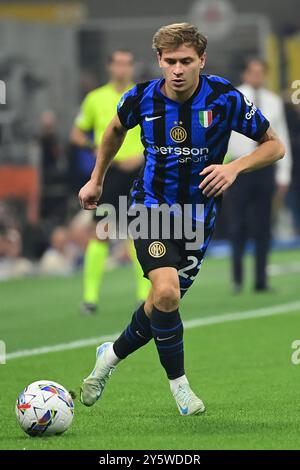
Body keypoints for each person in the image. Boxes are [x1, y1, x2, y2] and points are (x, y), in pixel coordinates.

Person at [78, 23, 285, 416]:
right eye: (170, 61)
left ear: (201, 61)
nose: (177, 69)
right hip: (150, 208)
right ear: (159, 60)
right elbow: (114, 130)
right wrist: (96, 179)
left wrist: (235, 167)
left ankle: (109, 357)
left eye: (186, 61)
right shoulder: (141, 97)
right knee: (167, 292)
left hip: (198, 220)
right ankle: (181, 387)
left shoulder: (225, 98)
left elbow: (274, 145)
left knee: (160, 304)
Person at [70, 49, 150, 314]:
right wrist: (97, 147)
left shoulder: (143, 94)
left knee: (140, 232)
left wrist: (142, 154)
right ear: (110, 66)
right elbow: (77, 134)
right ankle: (90, 298)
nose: (123, 68)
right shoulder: (95, 98)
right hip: (111, 172)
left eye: (128, 63)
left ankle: (144, 296)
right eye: (119, 63)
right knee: (101, 233)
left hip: (141, 169)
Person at [226, 59, 292, 293]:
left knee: (263, 227)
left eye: (260, 72)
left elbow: (280, 137)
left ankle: (260, 280)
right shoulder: (232, 97)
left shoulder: (273, 100)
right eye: (253, 71)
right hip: (239, 168)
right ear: (245, 73)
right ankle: (237, 279)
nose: (257, 75)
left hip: (265, 168)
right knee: (238, 225)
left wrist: (283, 174)